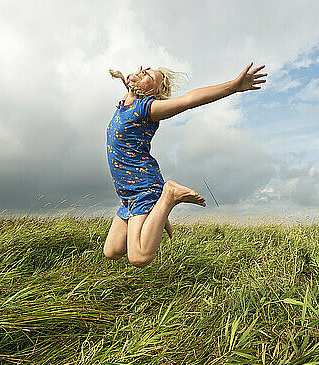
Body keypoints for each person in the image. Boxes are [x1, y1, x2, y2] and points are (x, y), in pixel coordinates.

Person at [104, 62, 267, 267]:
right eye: (144, 70)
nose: (143, 72)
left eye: (150, 77)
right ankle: (160, 207)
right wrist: (158, 215)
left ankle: (169, 194)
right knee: (112, 250)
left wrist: (233, 86)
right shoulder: (122, 107)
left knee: (139, 257)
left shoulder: (147, 108)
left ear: (153, 93)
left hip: (142, 188)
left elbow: (189, 100)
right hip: (127, 194)